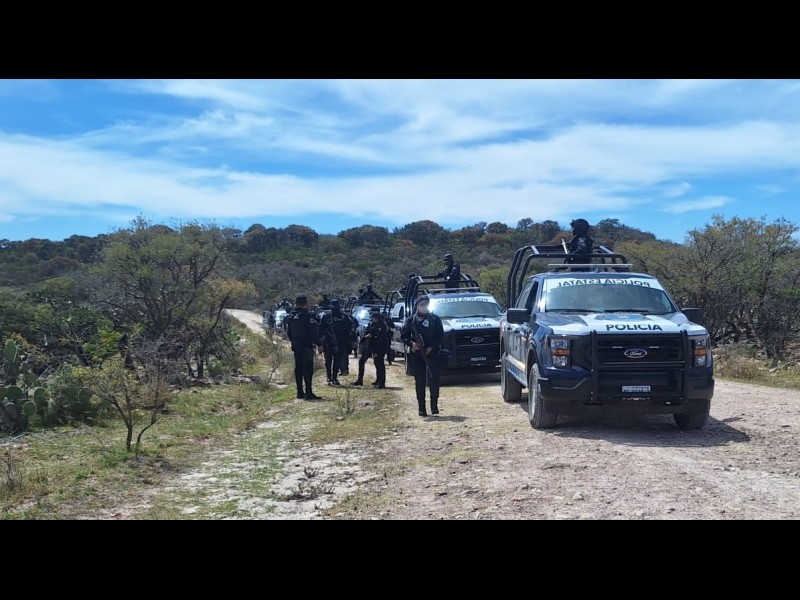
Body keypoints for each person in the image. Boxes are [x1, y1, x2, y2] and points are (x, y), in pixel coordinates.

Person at [401, 295, 444, 416]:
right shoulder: (411, 320)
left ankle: (434, 406)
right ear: (417, 306)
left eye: (426, 304)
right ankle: (422, 408)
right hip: (417, 354)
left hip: (432, 353)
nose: (424, 307)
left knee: (434, 380)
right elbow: (404, 336)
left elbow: (440, 335)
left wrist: (432, 347)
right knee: (420, 381)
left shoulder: (435, 319)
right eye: (422, 305)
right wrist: (412, 344)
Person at [286, 295, 321, 400]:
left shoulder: (292, 316)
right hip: (306, 346)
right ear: (306, 304)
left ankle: (300, 392)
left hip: (297, 346)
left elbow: (289, 332)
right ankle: (308, 393)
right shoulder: (307, 316)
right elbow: (313, 332)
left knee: (298, 369)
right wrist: (319, 344)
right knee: (308, 370)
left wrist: (293, 342)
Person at [353, 308, 390, 388]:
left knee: (379, 364)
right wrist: (363, 339)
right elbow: (369, 333)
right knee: (361, 361)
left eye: (374, 318)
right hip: (370, 345)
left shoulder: (382, 325)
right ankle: (360, 380)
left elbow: (380, 339)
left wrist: (376, 352)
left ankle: (381, 382)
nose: (373, 319)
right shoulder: (372, 324)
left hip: (379, 347)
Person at [317, 299, 350, 386]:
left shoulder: (343, 316)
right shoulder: (326, 316)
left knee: (337, 361)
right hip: (328, 342)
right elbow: (320, 329)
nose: (334, 309)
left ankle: (334, 377)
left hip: (340, 342)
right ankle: (329, 376)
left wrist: (349, 339)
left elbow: (350, 327)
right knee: (328, 360)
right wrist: (319, 343)